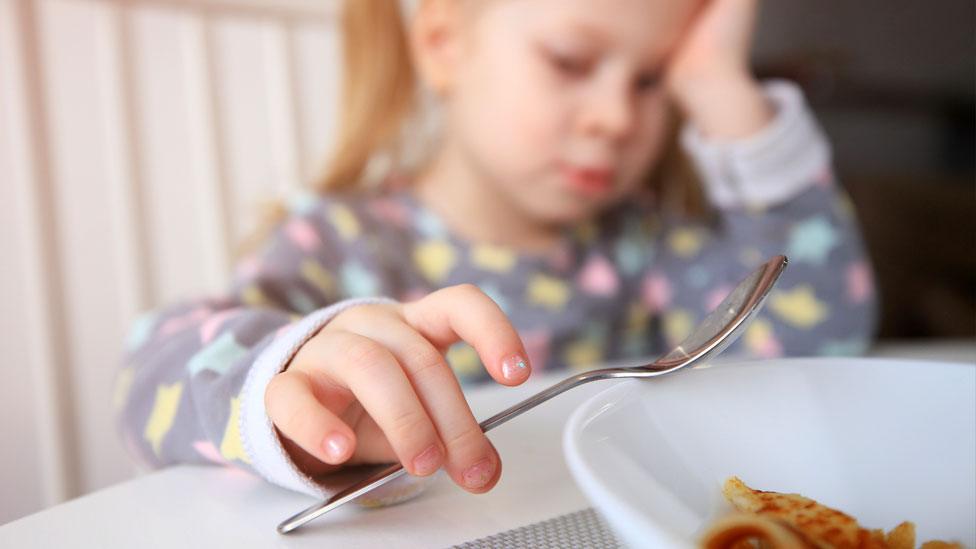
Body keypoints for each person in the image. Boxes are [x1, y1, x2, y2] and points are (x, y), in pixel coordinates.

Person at [115, 0, 877, 505]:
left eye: (650, 80)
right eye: (571, 61)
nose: (616, 117)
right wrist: (281, 386)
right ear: (444, 44)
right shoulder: (343, 243)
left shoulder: (649, 247)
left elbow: (822, 343)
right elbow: (152, 374)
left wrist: (718, 84)